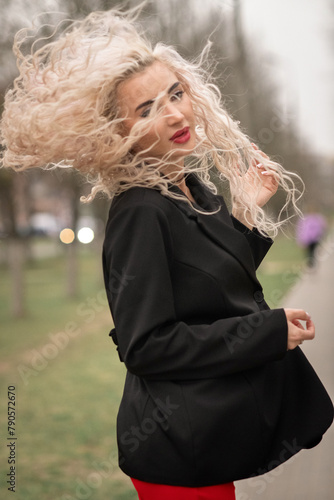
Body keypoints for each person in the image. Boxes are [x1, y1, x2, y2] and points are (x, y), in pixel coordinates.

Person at [1, 7, 333, 500]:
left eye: (176, 93)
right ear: (120, 133)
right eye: (147, 108)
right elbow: (148, 344)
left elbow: (202, 287)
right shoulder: (141, 210)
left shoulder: (188, 188)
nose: (175, 113)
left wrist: (241, 214)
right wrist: (267, 331)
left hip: (204, 441)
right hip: (176, 453)